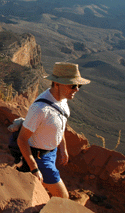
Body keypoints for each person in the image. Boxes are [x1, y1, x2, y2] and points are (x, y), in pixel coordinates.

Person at [17, 62, 90, 198]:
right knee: (63, 197)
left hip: (51, 152)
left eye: (79, 85)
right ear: (57, 83)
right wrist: (34, 168)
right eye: (73, 85)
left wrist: (63, 148)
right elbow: (21, 139)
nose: (77, 89)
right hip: (39, 158)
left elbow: (59, 126)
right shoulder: (40, 109)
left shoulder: (62, 99)